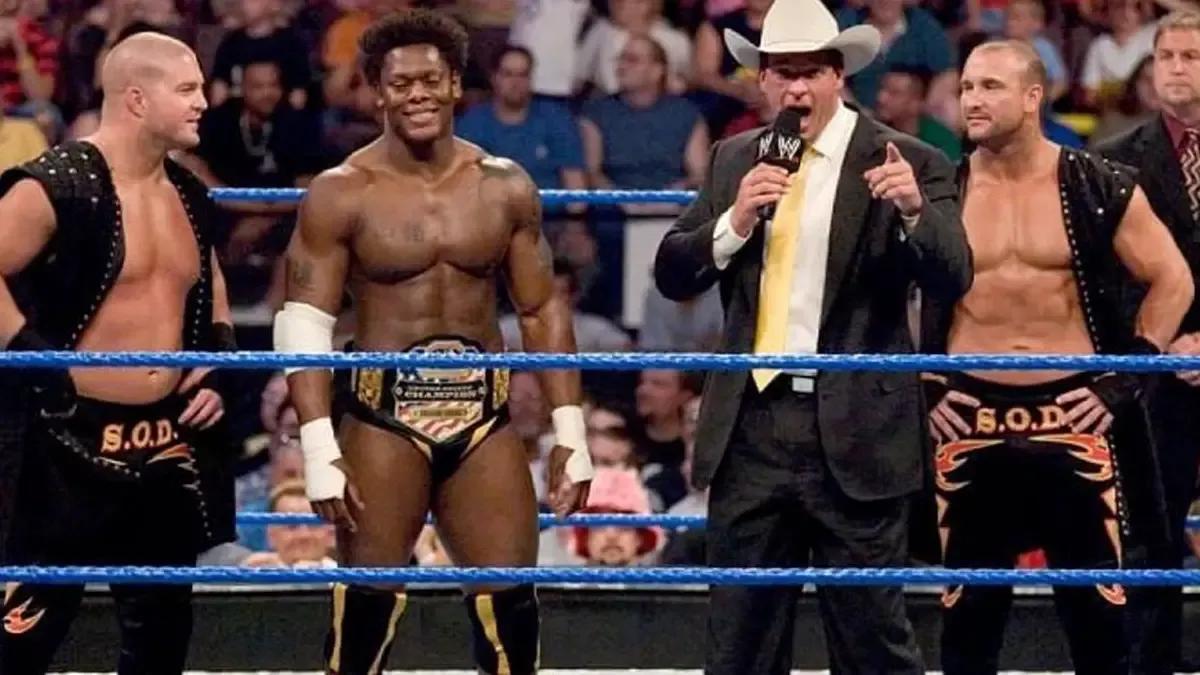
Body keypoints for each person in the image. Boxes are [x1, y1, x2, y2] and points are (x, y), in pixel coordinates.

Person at [652, 0, 973, 670]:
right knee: (738, 645)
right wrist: (736, 220)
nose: (796, 89)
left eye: (810, 73)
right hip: (752, 429)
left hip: (857, 431)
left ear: (838, 75)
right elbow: (673, 272)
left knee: (872, 642)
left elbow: (953, 274)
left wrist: (913, 210)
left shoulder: (905, 158)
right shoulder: (735, 158)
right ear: (763, 79)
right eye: (782, 73)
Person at [272, 10, 594, 675]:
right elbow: (304, 319)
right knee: (365, 613)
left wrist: (570, 431)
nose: (416, 95)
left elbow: (540, 309)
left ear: (454, 85)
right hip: (381, 415)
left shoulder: (505, 186)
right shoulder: (341, 193)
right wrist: (318, 446)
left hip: (483, 413)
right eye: (400, 84)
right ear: (377, 93)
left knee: (512, 604)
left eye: (430, 80)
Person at [920, 40, 1194, 675]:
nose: (972, 100)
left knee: (1099, 620)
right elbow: (889, 294)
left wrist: (1123, 381)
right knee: (967, 622)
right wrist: (926, 384)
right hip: (970, 415)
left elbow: (1173, 278)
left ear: (1033, 97)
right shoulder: (943, 191)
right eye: (967, 87)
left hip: (1076, 413)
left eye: (990, 86)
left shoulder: (1096, 183)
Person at [0, 31, 237, 675]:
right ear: (137, 99)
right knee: (20, 641)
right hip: (66, 441)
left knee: (160, 643)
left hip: (162, 443)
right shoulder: (61, 184)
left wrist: (215, 361)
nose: (203, 103)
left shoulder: (187, 192)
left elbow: (209, 283)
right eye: (187, 89)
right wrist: (32, 355)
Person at [1095, 11, 1200, 674]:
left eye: (1191, 56)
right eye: (1166, 56)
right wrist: (1166, 341)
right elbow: (1106, 278)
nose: (1176, 68)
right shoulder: (1113, 158)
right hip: (1157, 375)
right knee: (1149, 542)